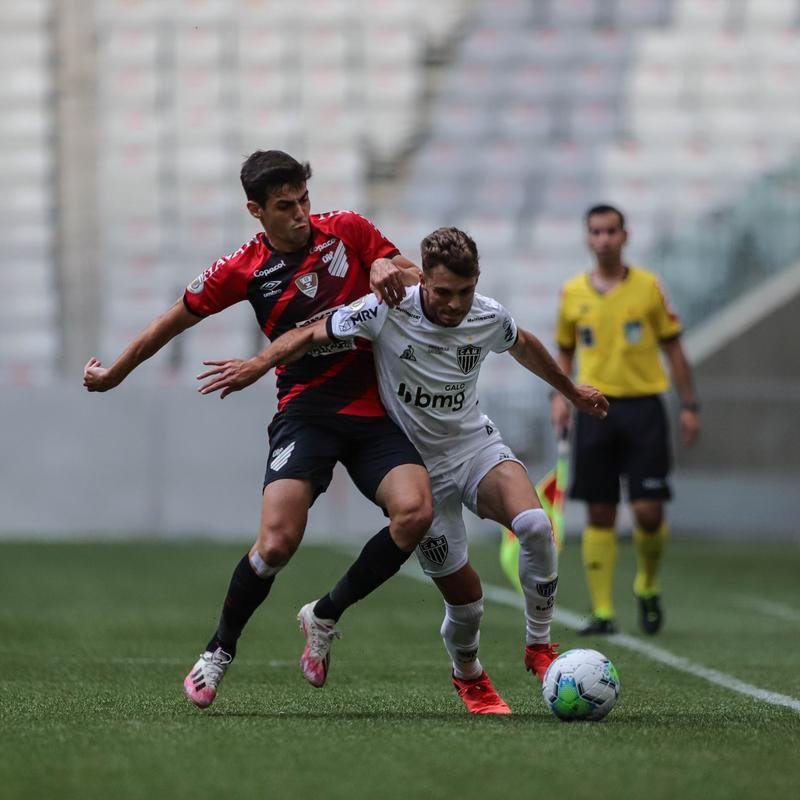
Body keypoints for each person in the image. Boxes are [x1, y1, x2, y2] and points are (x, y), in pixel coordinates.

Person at [197, 226, 609, 714]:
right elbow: (309, 333)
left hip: (475, 447)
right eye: (443, 293)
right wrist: (258, 364)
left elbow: (524, 345)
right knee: (468, 604)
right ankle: (469, 676)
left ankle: (539, 645)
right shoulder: (386, 309)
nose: (455, 305)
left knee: (536, 526)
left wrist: (569, 389)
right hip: (417, 465)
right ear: (422, 282)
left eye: (465, 291)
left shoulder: (487, 315)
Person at [83, 149, 434, 708]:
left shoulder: (348, 230)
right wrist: (113, 375)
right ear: (256, 210)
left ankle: (324, 614)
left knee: (416, 512)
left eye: (304, 201)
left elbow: (416, 279)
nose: (301, 214)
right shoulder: (242, 267)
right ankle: (219, 649)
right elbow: (172, 320)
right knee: (275, 544)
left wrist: (389, 266)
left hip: (373, 410)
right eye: (285, 206)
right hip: (306, 413)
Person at [551, 204, 700, 636]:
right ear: (588, 237)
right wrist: (560, 396)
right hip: (594, 408)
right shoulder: (572, 292)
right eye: (596, 232)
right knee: (600, 511)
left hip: (643, 409)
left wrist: (689, 405)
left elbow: (674, 348)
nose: (604, 239)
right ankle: (602, 611)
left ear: (625, 235)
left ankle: (647, 585)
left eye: (611, 231)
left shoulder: (650, 288)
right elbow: (564, 351)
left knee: (649, 512)